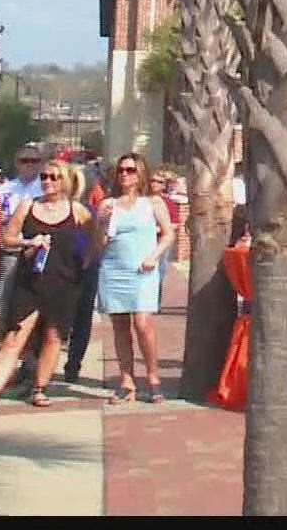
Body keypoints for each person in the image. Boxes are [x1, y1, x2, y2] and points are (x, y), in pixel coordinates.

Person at [0, 160, 92, 415]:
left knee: (53, 337)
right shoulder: (28, 206)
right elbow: (7, 237)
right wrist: (28, 241)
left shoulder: (77, 211)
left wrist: (85, 262)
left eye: (54, 177)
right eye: (44, 176)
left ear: (66, 181)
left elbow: (94, 239)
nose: (47, 181)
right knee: (14, 337)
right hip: (30, 282)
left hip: (64, 283)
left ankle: (40, 387)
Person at [95, 153, 174, 404]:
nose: (125, 175)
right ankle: (126, 380)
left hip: (142, 269)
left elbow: (169, 235)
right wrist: (102, 224)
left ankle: (152, 377)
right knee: (119, 326)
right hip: (113, 268)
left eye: (131, 170)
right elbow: (99, 244)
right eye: (121, 170)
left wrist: (154, 256)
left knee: (142, 323)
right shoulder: (108, 204)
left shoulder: (152, 203)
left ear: (141, 174)